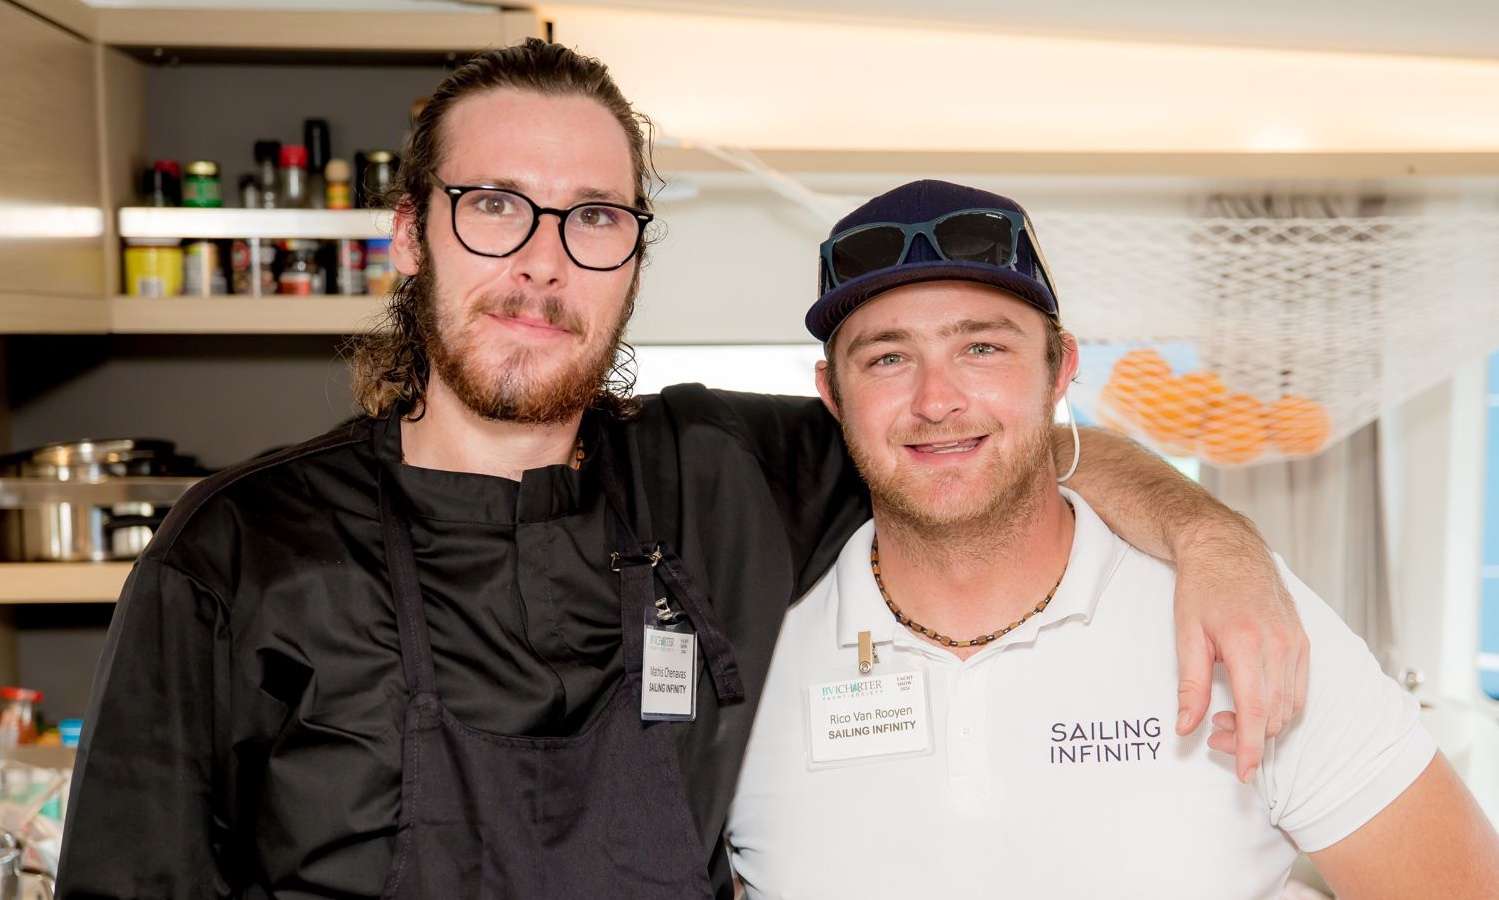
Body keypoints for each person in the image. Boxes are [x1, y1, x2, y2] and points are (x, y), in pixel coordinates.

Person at [59, 43, 1308, 899]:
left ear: (632, 257)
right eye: (493, 205)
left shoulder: (725, 473)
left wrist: (1210, 537)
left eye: (594, 217)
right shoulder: (237, 549)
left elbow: (994, 440)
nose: (543, 262)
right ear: (409, 237)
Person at [725, 179, 1499, 899]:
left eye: (982, 348)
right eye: (887, 358)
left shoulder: (1244, 623)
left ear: (1060, 368)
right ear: (831, 394)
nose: (936, 400)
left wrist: (1209, 536)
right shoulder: (747, 652)